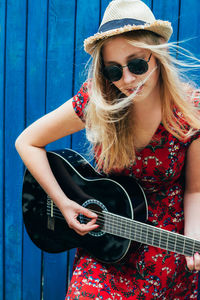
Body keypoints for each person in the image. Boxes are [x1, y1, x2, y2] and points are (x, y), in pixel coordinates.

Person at [15, 0, 200, 298]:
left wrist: (194, 239)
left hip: (165, 250)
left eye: (138, 64)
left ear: (158, 55)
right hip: (106, 245)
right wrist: (62, 202)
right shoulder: (97, 100)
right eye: (114, 71)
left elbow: (196, 189)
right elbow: (27, 141)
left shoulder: (191, 111)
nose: (127, 80)